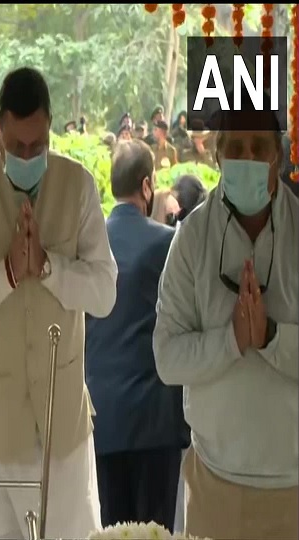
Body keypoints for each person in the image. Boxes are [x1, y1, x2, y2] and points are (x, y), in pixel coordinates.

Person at [0, 67, 117, 540]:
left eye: (38, 146)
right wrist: (9, 275)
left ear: (49, 129)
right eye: (17, 146)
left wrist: (49, 268)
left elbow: (104, 291)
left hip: (64, 428)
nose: (28, 155)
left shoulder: (77, 185)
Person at [154, 95, 299, 540]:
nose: (248, 158)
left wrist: (271, 336)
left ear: (279, 154)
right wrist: (233, 340)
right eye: (236, 147)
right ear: (216, 153)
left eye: (259, 147)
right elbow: (168, 358)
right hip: (214, 485)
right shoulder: (191, 239)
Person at [85, 139, 188, 531]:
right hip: (154, 421)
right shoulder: (166, 243)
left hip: (101, 417)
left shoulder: (88, 246)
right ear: (147, 186)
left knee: (110, 530)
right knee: (154, 531)